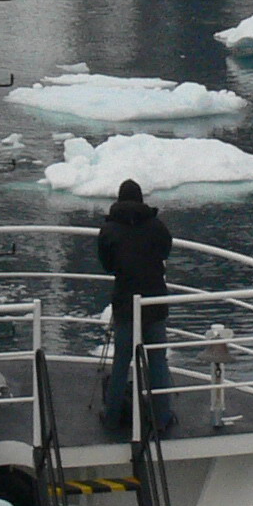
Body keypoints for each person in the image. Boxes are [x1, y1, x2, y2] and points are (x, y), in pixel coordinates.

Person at [96, 178, 175, 437]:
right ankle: (162, 418)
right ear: (141, 199)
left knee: (121, 362)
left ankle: (112, 417)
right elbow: (165, 251)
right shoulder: (157, 226)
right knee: (157, 362)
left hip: (125, 302)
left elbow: (107, 265)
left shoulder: (109, 230)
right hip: (154, 302)